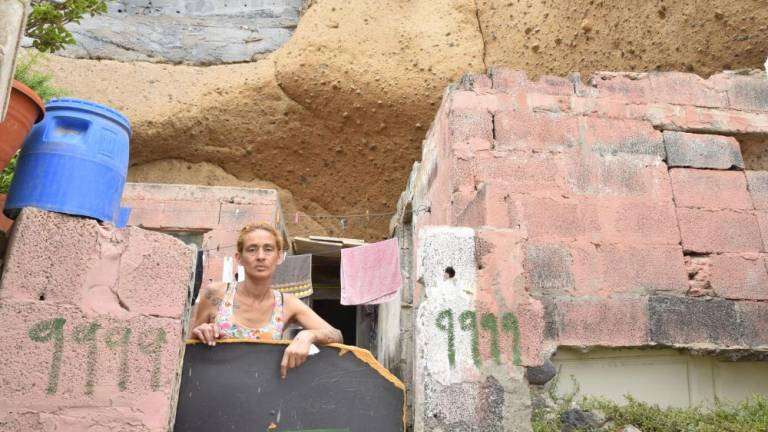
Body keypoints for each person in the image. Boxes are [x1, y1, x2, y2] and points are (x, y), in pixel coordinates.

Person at [190, 222, 343, 379]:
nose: (260, 257)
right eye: (252, 249)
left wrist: (308, 336)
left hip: (264, 388)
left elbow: (336, 335)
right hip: (218, 386)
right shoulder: (215, 294)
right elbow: (190, 348)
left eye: (268, 249)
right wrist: (201, 332)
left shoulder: (287, 304)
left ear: (279, 257)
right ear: (239, 258)